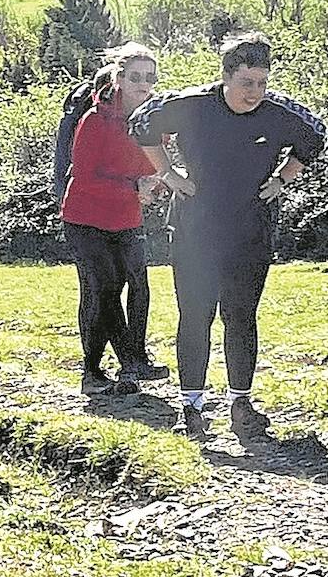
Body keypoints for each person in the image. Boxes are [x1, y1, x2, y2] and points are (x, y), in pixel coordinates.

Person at [130, 34, 324, 439]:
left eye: (261, 83)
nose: (254, 92)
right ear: (226, 76)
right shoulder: (191, 105)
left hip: (250, 231)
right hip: (195, 229)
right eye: (246, 83)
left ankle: (241, 403)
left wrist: (284, 178)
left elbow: (316, 135)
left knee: (240, 316)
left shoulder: (278, 113)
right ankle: (192, 406)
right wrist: (167, 173)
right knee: (195, 316)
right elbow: (140, 124)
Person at [60, 43, 170, 396]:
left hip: (126, 217)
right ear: (119, 78)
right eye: (136, 77)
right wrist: (134, 188)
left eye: (150, 78)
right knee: (103, 288)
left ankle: (135, 360)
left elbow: (152, 167)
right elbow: (84, 176)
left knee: (139, 286)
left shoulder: (153, 122)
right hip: (85, 218)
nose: (144, 84)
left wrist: (157, 186)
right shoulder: (95, 119)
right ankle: (96, 370)